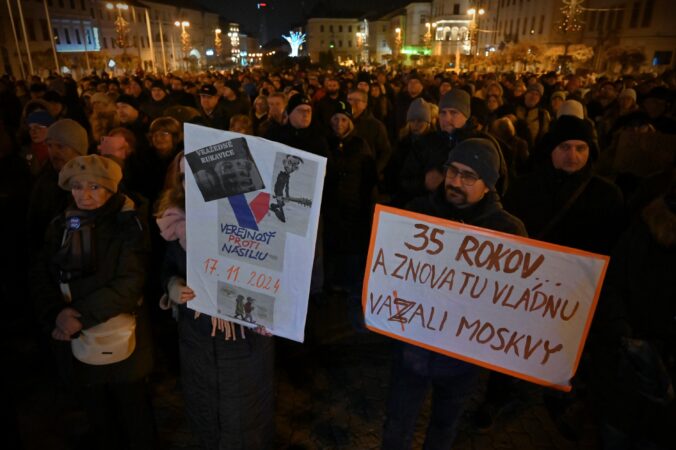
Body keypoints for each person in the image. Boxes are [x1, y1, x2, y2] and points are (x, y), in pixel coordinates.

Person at [382, 138, 527, 449]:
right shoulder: (417, 212)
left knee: (445, 426)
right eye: (452, 171)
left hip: (463, 357)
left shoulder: (508, 232)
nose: (456, 182)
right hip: (413, 347)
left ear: (488, 185)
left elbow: (511, 303)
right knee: (397, 423)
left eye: (469, 176)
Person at [32, 154, 156, 450]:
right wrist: (55, 313)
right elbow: (42, 272)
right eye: (77, 187)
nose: (83, 195)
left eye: (94, 187)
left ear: (111, 189)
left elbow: (130, 283)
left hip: (121, 337)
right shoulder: (62, 224)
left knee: (134, 415)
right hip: (77, 336)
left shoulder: (128, 223)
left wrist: (78, 316)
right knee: (97, 414)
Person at [156, 153, 274, 450]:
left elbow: (277, 272)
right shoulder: (175, 220)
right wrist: (172, 286)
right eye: (184, 177)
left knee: (244, 420)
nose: (191, 182)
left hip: (242, 338)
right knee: (206, 415)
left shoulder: (250, 216)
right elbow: (168, 267)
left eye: (197, 174)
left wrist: (274, 309)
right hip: (197, 338)